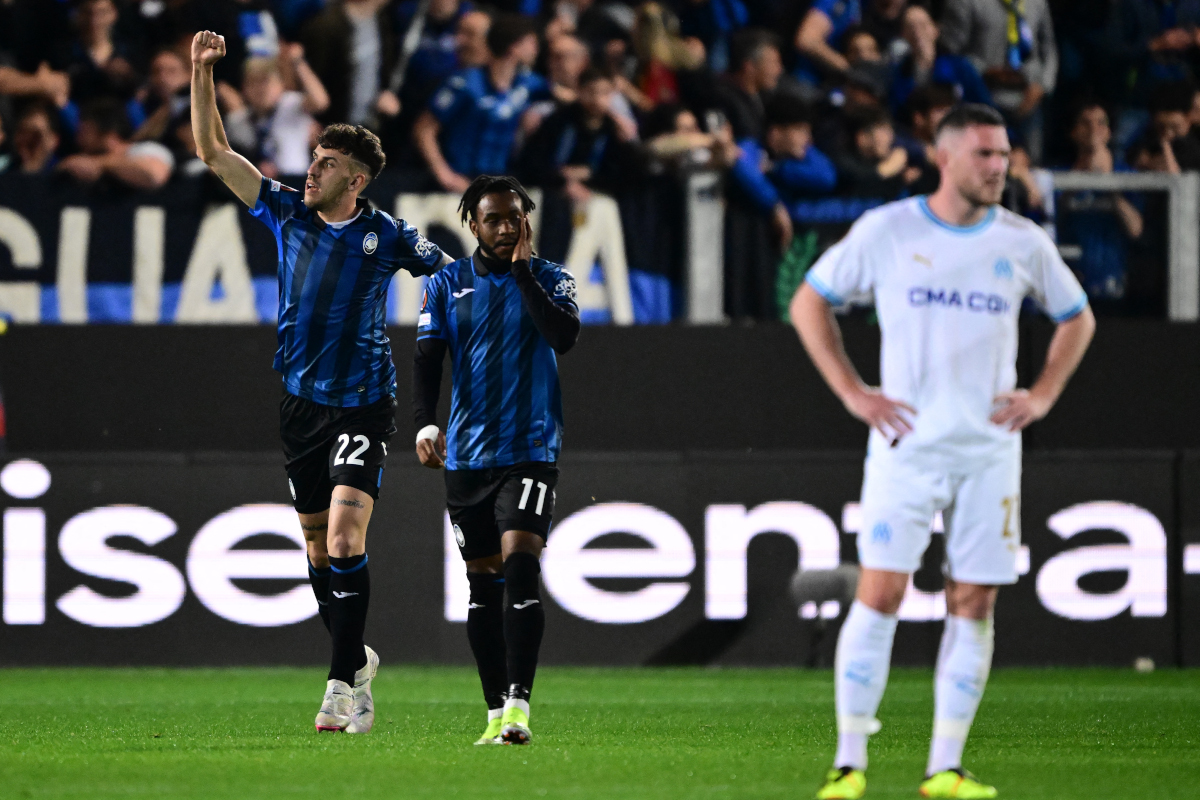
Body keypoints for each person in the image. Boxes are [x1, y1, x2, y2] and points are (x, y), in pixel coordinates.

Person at [792, 104, 1095, 800]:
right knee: (881, 592)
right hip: (907, 446)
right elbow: (811, 300)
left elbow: (1077, 317)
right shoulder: (890, 230)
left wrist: (1042, 395)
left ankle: (946, 769)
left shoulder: (1023, 241)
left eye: (1005, 154)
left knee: (974, 601)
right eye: (987, 154)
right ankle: (848, 765)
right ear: (946, 156)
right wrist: (853, 393)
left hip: (990, 451)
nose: (1001, 166)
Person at [189, 30, 451, 734]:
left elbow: (451, 276)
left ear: (356, 180)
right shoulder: (284, 213)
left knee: (342, 538)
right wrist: (201, 72)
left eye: (327, 163)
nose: (312, 170)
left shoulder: (389, 234)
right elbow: (214, 152)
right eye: (313, 158)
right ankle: (356, 662)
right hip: (300, 404)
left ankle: (339, 685)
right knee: (315, 554)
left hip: (365, 402)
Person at [413, 174, 579, 746]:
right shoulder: (444, 285)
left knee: (521, 564)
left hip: (530, 449)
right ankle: (492, 714)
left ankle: (519, 706)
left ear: (527, 221)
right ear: (473, 224)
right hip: (467, 456)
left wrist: (526, 271)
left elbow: (563, 336)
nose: (506, 227)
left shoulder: (553, 277)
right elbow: (428, 358)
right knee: (481, 584)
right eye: (494, 219)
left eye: (515, 217)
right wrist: (424, 422)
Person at [413, 14, 547, 192]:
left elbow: (565, 97)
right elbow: (424, 128)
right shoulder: (464, 83)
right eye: (531, 43)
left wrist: (538, 111)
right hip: (460, 181)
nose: (536, 50)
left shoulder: (528, 83)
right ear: (514, 47)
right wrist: (443, 173)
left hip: (500, 180)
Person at [223, 47, 330, 177]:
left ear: (281, 85)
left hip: (294, 180)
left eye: (266, 82)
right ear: (244, 89)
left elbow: (320, 102)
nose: (261, 90)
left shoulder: (291, 105)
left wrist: (299, 64)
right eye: (253, 83)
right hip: (257, 184)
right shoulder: (237, 121)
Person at [58, 97, 174, 191]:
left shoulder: (145, 150)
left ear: (107, 133)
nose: (79, 138)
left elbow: (154, 175)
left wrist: (97, 163)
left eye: (84, 131)